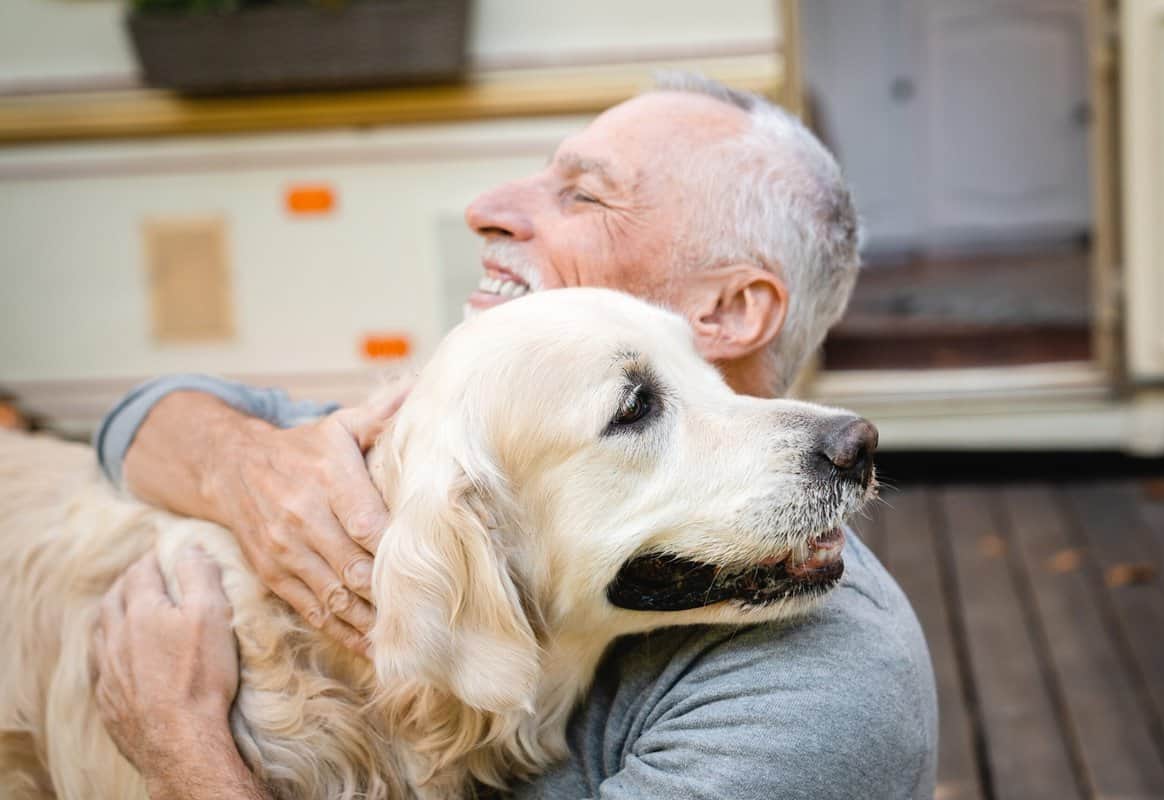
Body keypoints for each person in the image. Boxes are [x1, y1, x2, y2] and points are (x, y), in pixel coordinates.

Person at [90, 73, 938, 799]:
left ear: (724, 312)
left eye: (583, 193)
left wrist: (182, 748)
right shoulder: (479, 423)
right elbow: (141, 418)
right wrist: (249, 469)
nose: (487, 208)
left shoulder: (815, 695)